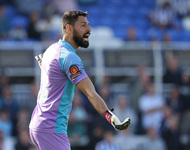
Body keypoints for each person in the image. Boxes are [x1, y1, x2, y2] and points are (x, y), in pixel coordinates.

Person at [29, 10, 130, 150]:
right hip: (51, 129)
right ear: (69, 29)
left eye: (88, 25)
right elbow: (90, 93)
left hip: (39, 125)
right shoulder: (69, 58)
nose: (88, 30)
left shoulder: (51, 49)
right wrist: (110, 116)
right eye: (83, 25)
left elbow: (48, 68)